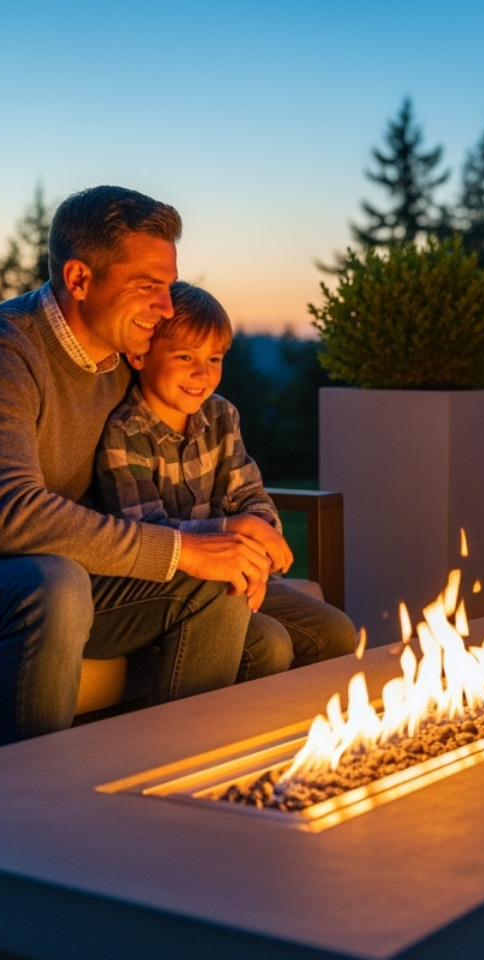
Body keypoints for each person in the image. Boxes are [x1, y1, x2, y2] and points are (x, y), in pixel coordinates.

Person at [0, 186, 273, 746]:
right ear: (80, 279)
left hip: (44, 577)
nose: (166, 309)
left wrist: (230, 536)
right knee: (55, 581)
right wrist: (186, 547)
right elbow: (12, 519)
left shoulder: (118, 361)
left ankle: (173, 789)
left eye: (167, 286)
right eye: (148, 288)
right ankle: (33, 812)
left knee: (217, 586)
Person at [93, 281, 357, 680]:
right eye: (185, 356)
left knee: (337, 633)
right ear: (139, 355)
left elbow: (249, 495)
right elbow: (145, 532)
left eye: (214, 359)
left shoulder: (220, 417)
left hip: (238, 573)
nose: (203, 373)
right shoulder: (124, 432)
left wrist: (259, 535)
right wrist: (231, 529)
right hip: (168, 586)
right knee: (270, 643)